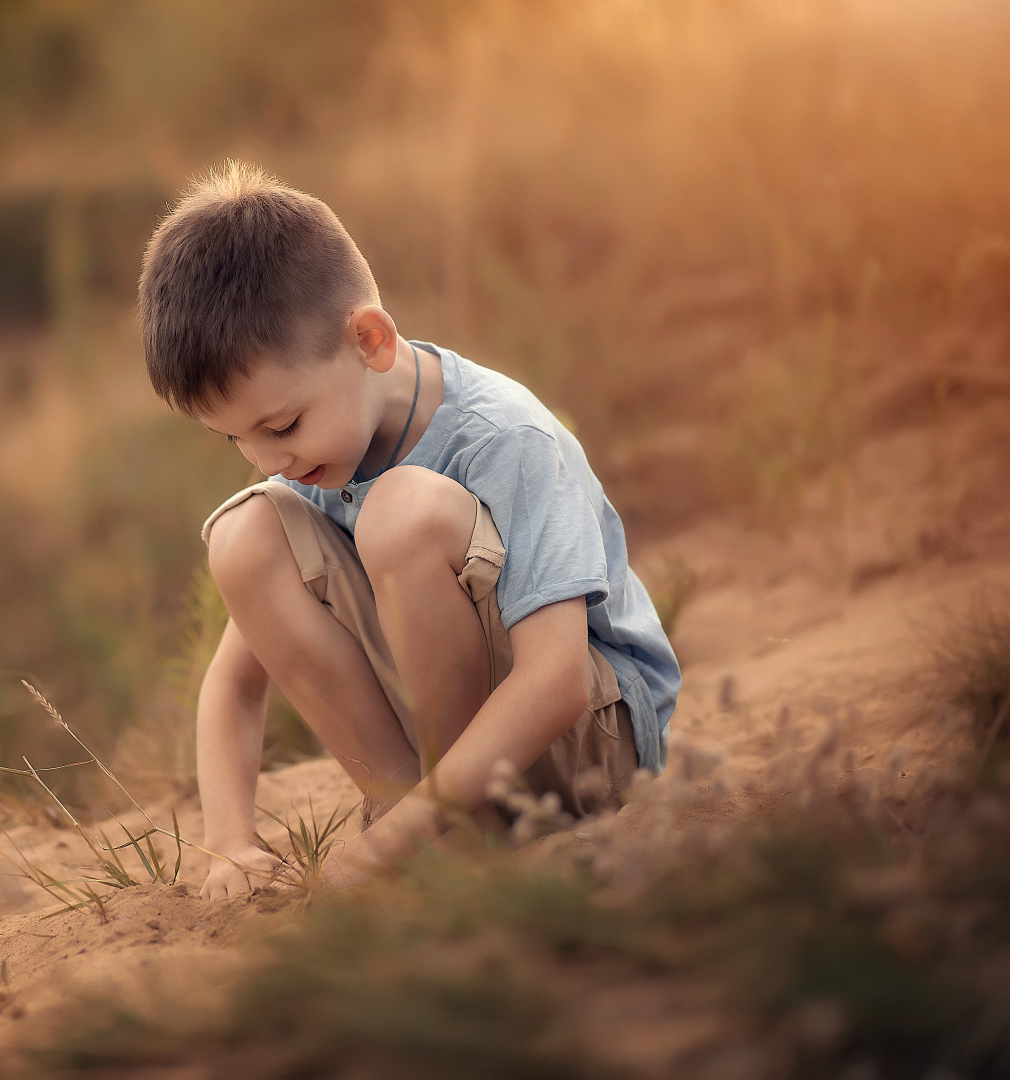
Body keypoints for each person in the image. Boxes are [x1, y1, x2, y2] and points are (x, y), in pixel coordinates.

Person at [137, 161, 680, 898]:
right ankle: (429, 831)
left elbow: (554, 681)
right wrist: (227, 844)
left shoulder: (503, 438)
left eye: (283, 424)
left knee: (401, 513)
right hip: (451, 765)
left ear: (370, 340)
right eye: (236, 441)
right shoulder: (321, 459)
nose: (270, 460)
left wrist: (390, 840)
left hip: (588, 746)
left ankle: (426, 831)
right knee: (243, 536)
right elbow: (235, 684)